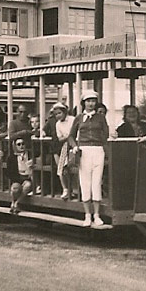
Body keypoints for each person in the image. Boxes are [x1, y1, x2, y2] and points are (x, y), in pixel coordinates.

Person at [67, 90, 107, 228]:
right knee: (85, 182)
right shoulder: (79, 118)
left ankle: (96, 215)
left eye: (93, 101)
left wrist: (105, 148)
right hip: (84, 151)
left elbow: (105, 135)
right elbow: (71, 136)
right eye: (88, 101)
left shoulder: (100, 118)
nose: (91, 104)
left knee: (96, 182)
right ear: (84, 102)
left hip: (98, 150)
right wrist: (74, 147)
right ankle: (87, 215)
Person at [46, 103, 76, 199]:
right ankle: (65, 189)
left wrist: (69, 136)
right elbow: (60, 138)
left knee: (72, 166)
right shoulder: (57, 124)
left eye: (59, 113)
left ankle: (75, 189)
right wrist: (67, 136)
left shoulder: (72, 119)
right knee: (61, 167)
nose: (58, 115)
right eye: (56, 114)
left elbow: (76, 132)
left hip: (75, 144)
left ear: (64, 112)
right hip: (65, 145)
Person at [0, 137, 34, 215]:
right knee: (15, 188)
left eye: (23, 144)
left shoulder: (31, 154)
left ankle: (16, 203)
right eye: (19, 144)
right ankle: (13, 202)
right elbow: (8, 172)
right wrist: (1, 157)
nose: (21, 146)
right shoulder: (12, 157)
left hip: (28, 178)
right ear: (15, 146)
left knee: (28, 185)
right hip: (18, 179)